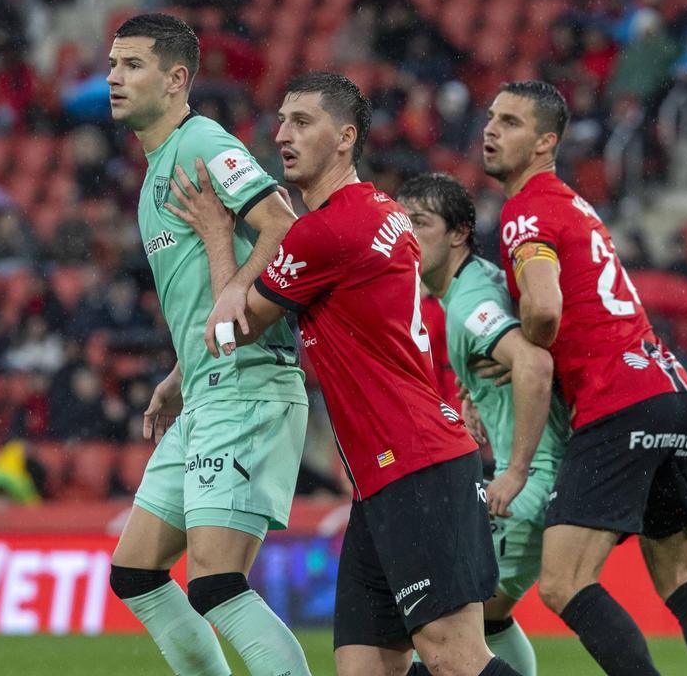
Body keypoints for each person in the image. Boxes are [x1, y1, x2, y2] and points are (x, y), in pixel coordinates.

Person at [168, 72, 520, 676]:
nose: (282, 134)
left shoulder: (326, 230)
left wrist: (216, 234)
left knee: (454, 657)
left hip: (415, 461)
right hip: (387, 472)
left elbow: (230, 329)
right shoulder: (381, 211)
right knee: (364, 666)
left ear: (346, 137)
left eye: (303, 122)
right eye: (281, 121)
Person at [482, 80, 687, 676]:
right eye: (492, 118)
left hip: (618, 401)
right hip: (670, 392)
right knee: (680, 578)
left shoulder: (526, 210)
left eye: (512, 122)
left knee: (563, 583)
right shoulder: (572, 203)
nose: (491, 130)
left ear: (546, 142)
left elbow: (545, 309)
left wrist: (516, 351)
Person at [105, 13, 311, 676]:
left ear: (176, 80)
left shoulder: (201, 143)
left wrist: (234, 292)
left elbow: (284, 226)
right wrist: (178, 371)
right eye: (112, 64)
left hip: (249, 387)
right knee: (135, 572)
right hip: (204, 390)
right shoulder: (156, 171)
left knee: (217, 584)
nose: (114, 77)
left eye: (132, 65)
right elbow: (205, 291)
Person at [398, 172, 570, 676]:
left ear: (458, 234)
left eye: (421, 223)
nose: (408, 234)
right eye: (401, 223)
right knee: (489, 622)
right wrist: (476, 393)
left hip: (531, 485)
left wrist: (515, 471)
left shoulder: (469, 304)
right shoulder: (474, 286)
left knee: (440, 629)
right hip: (549, 479)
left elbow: (534, 365)